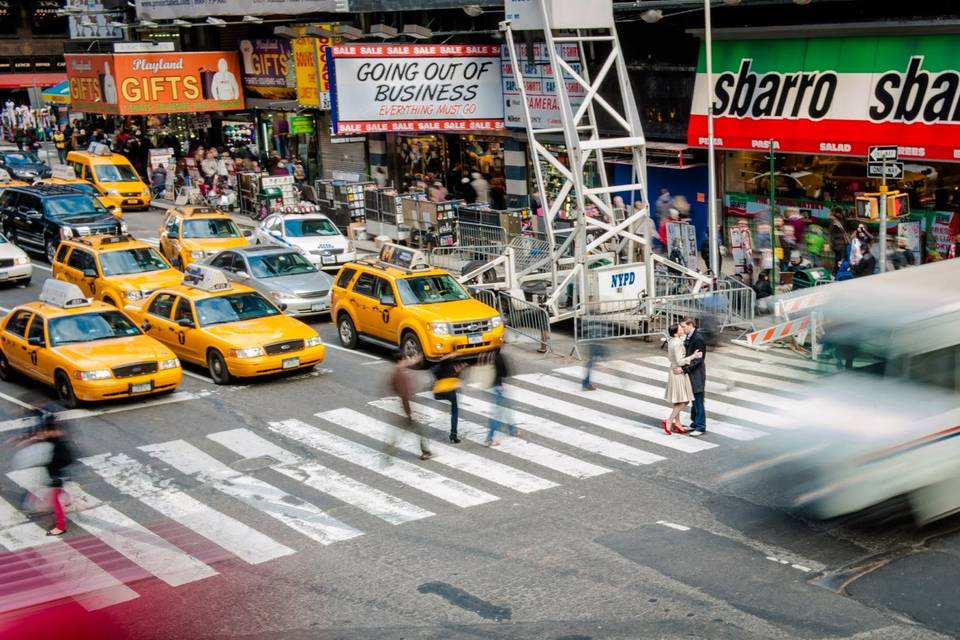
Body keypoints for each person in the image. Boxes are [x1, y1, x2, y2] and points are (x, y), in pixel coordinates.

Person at [387, 351, 432, 461]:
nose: (407, 361)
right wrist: (408, 412)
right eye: (405, 359)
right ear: (401, 360)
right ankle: (389, 454)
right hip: (405, 409)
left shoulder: (398, 371)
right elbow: (403, 396)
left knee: (408, 430)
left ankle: (389, 453)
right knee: (406, 431)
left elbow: (393, 388)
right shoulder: (399, 375)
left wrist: (416, 360)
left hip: (403, 408)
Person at [662, 324, 702, 435]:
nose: (682, 330)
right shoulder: (677, 343)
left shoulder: (672, 341)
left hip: (673, 370)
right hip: (678, 371)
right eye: (680, 329)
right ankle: (669, 421)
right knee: (684, 400)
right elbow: (680, 361)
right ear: (676, 332)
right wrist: (693, 356)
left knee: (678, 399)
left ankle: (678, 423)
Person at [40, 414, 75, 536]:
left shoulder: (58, 446)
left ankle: (60, 527)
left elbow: (66, 459)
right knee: (56, 497)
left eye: (47, 431)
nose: (45, 433)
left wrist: (57, 477)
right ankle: (67, 500)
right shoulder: (55, 440)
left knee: (56, 500)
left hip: (58, 476)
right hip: (57, 474)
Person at [484, 348, 519, 446]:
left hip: (492, 386)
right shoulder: (498, 357)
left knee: (507, 408)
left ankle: (513, 430)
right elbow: (505, 372)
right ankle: (489, 439)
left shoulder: (488, 354)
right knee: (497, 415)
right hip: (498, 388)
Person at [681, 317, 708, 437]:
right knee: (694, 398)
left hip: (696, 372)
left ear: (691, 325)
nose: (682, 329)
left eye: (684, 326)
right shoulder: (689, 336)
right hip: (691, 371)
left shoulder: (698, 338)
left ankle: (700, 426)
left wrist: (685, 368)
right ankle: (694, 422)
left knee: (698, 399)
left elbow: (699, 359)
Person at [432, 355, 466, 443]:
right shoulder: (453, 366)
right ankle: (453, 434)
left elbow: (434, 373)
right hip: (450, 391)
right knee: (454, 411)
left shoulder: (437, 367)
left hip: (440, 391)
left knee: (453, 408)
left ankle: (453, 434)